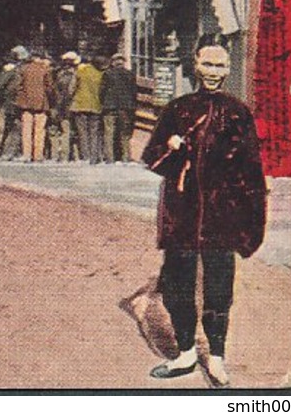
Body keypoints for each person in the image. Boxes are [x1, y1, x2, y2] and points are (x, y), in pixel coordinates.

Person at [142, 45, 267, 386]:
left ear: (228, 70)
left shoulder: (239, 113)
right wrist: (170, 149)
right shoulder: (177, 109)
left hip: (221, 218)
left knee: (219, 289)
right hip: (181, 214)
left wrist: (252, 226)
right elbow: (150, 157)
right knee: (179, 285)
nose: (213, 70)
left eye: (220, 65)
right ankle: (184, 354)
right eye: (207, 63)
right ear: (195, 64)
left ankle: (216, 357)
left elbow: (252, 173)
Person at [14, 52, 55, 163]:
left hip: (26, 103)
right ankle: (38, 155)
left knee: (26, 130)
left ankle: (27, 154)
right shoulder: (45, 69)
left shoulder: (23, 69)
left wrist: (21, 98)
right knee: (40, 130)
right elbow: (50, 87)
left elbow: (18, 86)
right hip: (41, 104)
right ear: (40, 58)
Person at [68, 51, 105, 164]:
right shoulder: (100, 74)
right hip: (95, 105)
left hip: (80, 105)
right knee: (94, 132)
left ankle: (86, 156)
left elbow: (71, 89)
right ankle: (94, 157)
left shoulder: (80, 71)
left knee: (82, 132)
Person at [100, 52, 138, 163]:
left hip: (110, 107)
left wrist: (103, 103)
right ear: (123, 62)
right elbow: (134, 92)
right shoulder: (130, 74)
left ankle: (109, 158)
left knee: (109, 133)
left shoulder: (108, 74)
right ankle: (125, 157)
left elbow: (102, 91)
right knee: (124, 133)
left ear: (113, 62)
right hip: (126, 108)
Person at [48, 53, 78, 161]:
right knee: (66, 131)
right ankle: (65, 155)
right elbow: (71, 92)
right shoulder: (75, 75)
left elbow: (52, 90)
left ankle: (54, 155)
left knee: (54, 131)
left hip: (55, 106)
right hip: (67, 107)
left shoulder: (56, 74)